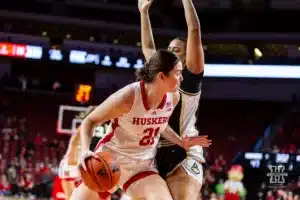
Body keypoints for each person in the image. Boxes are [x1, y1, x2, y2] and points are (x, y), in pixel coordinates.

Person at [70, 50, 208, 200]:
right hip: (112, 159)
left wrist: (180, 142)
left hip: (143, 165)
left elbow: (161, 125)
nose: (181, 77)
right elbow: (89, 121)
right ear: (161, 76)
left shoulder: (173, 97)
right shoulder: (128, 96)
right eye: (177, 73)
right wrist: (85, 151)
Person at [139, 0, 208, 199]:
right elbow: (148, 48)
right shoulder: (160, 76)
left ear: (187, 57)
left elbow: (194, 30)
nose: (171, 52)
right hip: (153, 153)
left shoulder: (191, 75)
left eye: (177, 50)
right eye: (169, 48)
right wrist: (143, 12)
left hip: (184, 151)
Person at [58, 106, 95, 199]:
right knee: (71, 197)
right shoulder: (82, 128)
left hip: (79, 163)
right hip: (70, 164)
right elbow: (74, 144)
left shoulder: (91, 129)